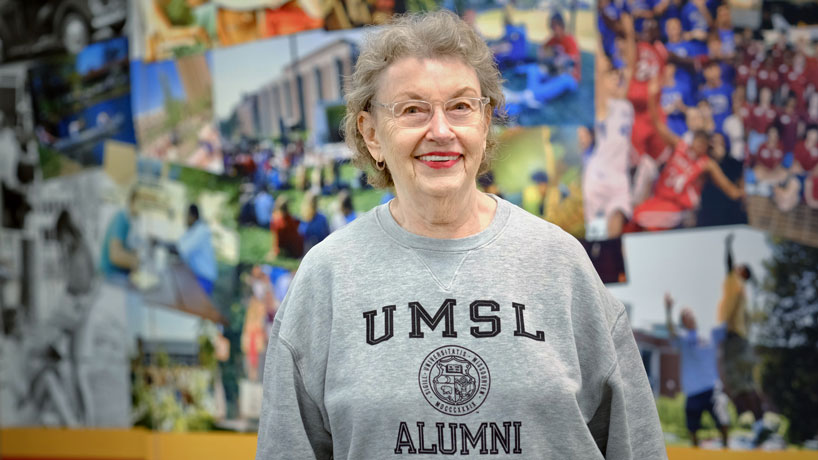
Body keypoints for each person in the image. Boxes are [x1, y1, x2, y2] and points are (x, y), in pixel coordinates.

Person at [255, 11, 666, 459]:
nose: (441, 131)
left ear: (485, 123)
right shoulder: (326, 277)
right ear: (371, 134)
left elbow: (636, 445)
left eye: (461, 106)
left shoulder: (560, 264)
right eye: (412, 109)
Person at [716, 234, 771, 448]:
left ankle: (756, 426)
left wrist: (728, 246)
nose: (735, 268)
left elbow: (728, 265)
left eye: (739, 267)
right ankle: (760, 426)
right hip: (743, 342)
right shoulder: (743, 293)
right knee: (748, 386)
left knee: (737, 386)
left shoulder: (735, 283)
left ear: (742, 273)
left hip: (734, 342)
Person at [665, 293, 730, 448]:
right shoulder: (682, 338)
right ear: (683, 321)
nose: (690, 315)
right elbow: (671, 331)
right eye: (685, 314)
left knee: (723, 421)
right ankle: (696, 453)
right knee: (692, 429)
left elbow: (729, 324)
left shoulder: (710, 333)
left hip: (712, 387)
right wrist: (668, 310)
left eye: (690, 312)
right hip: (693, 391)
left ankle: (727, 451)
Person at [99, 189, 139, 282]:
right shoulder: (121, 218)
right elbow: (116, 256)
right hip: (110, 274)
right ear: (132, 202)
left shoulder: (129, 220)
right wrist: (136, 261)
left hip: (120, 271)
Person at [177, 204, 217, 296]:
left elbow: (181, 250)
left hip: (204, 280)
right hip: (196, 276)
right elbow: (179, 245)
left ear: (193, 216)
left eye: (187, 216)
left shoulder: (201, 230)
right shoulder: (194, 230)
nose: (185, 219)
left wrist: (161, 244)